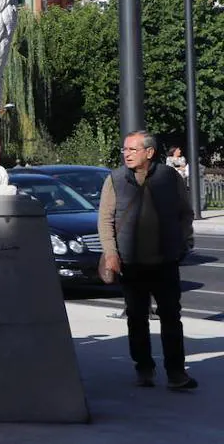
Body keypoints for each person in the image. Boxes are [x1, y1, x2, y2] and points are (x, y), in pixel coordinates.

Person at [98, 130, 197, 391]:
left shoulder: (169, 177)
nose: (126, 154)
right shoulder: (115, 180)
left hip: (165, 261)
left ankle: (176, 373)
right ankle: (144, 368)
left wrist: (184, 241)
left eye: (132, 149)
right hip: (131, 263)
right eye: (125, 150)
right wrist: (111, 253)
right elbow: (105, 220)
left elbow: (185, 212)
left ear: (149, 152)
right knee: (137, 318)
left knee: (171, 318)